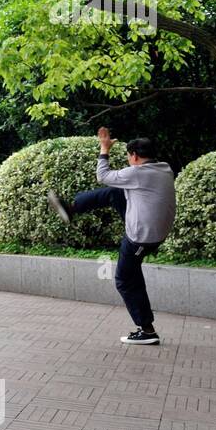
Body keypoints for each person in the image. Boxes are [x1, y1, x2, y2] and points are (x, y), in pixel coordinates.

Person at [47, 128, 176, 345]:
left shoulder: (137, 173)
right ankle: (72, 208)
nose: (128, 160)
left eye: (128, 156)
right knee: (114, 192)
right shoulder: (164, 169)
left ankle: (146, 330)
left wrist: (104, 149)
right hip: (156, 232)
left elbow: (102, 176)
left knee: (124, 280)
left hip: (140, 237)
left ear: (134, 156)